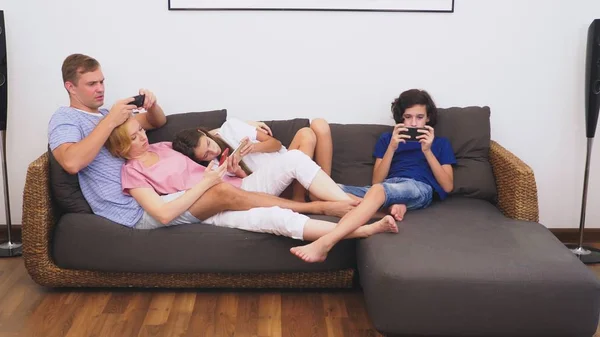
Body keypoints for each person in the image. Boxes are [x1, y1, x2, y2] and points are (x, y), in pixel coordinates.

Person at [47, 53, 354, 228]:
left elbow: (158, 122)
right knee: (225, 192)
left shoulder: (118, 121)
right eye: (91, 84)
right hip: (131, 207)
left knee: (287, 162)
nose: (100, 88)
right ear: (70, 87)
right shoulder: (67, 119)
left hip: (163, 192)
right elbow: (71, 162)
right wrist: (110, 120)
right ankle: (327, 208)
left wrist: (152, 105)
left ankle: (345, 206)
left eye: (102, 81)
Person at [105, 117, 398, 244]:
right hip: (211, 207)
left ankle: (353, 206)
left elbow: (205, 143)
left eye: (141, 131)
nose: (143, 137)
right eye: (134, 138)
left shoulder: (164, 145)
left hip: (239, 187)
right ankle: (364, 225)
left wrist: (242, 133)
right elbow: (163, 212)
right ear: (120, 149)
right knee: (278, 220)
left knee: (295, 160)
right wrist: (206, 184)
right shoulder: (132, 172)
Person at [288, 89, 457, 262]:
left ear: (428, 117)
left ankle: (325, 243)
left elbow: (447, 186)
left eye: (419, 117)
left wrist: (427, 151)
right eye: (408, 117)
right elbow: (377, 180)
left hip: (418, 187)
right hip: (388, 187)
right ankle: (388, 208)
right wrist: (392, 147)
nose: (413, 123)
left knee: (377, 191)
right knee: (318, 192)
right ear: (401, 118)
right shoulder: (387, 139)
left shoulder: (440, 143)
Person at [179, 116, 333, 202]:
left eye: (208, 143)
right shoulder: (213, 169)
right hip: (276, 184)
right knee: (306, 134)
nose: (213, 150)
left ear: (204, 133)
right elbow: (252, 189)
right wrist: (238, 171)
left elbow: (277, 144)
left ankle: (313, 193)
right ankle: (298, 198)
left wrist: (253, 147)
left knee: (314, 127)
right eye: (206, 154)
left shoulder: (231, 127)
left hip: (286, 160)